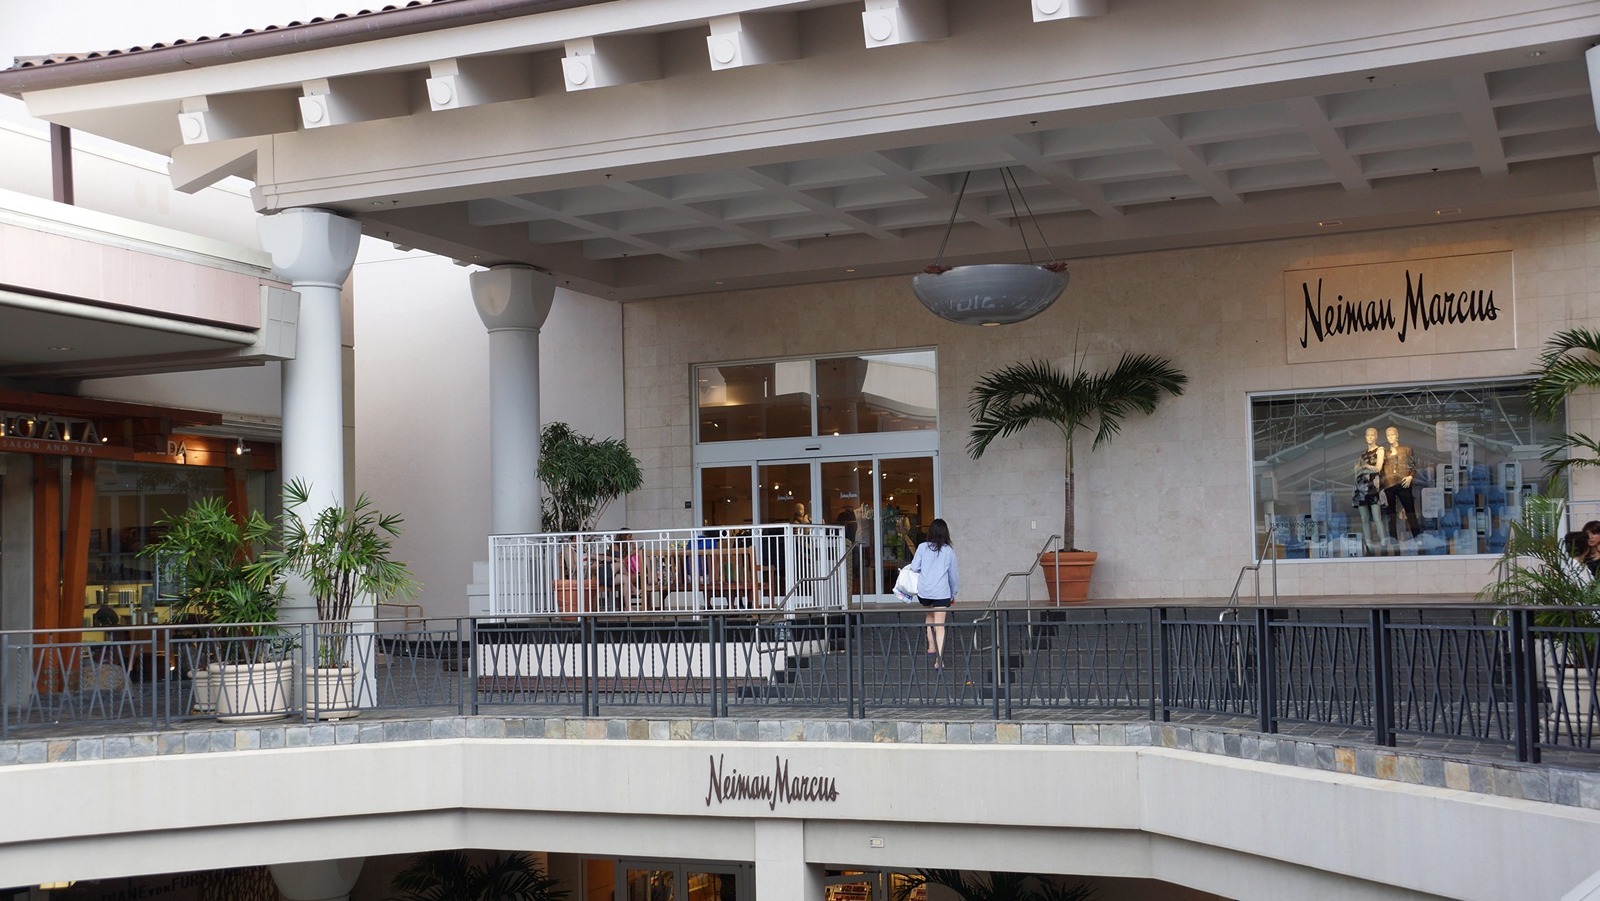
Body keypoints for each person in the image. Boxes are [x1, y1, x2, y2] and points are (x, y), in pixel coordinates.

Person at [905, 518, 958, 666]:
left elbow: (914, 568)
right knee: (940, 625)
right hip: (941, 593)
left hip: (925, 591)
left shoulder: (922, 547)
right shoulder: (948, 551)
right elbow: (953, 575)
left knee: (929, 615)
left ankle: (931, 646)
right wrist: (953, 593)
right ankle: (938, 661)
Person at [1381, 426, 1420, 541]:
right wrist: (1382, 488)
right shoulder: (1384, 453)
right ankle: (1393, 541)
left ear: (1397, 435)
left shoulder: (1406, 449)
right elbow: (1381, 471)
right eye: (1388, 435)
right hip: (1389, 485)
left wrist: (1410, 477)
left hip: (1404, 483)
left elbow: (1413, 466)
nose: (1390, 437)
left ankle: (1417, 538)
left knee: (1410, 512)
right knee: (1391, 515)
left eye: (1392, 434)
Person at [1352, 427, 1386, 551]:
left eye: (1373, 435)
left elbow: (1378, 468)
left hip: (1373, 486)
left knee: (1377, 517)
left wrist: (1364, 467)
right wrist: (1362, 468)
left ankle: (1384, 547)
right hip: (1360, 487)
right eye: (1368, 435)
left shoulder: (1380, 450)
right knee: (1364, 518)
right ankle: (1369, 547)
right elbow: (1355, 471)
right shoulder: (1362, 455)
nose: (1370, 437)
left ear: (1376, 437)